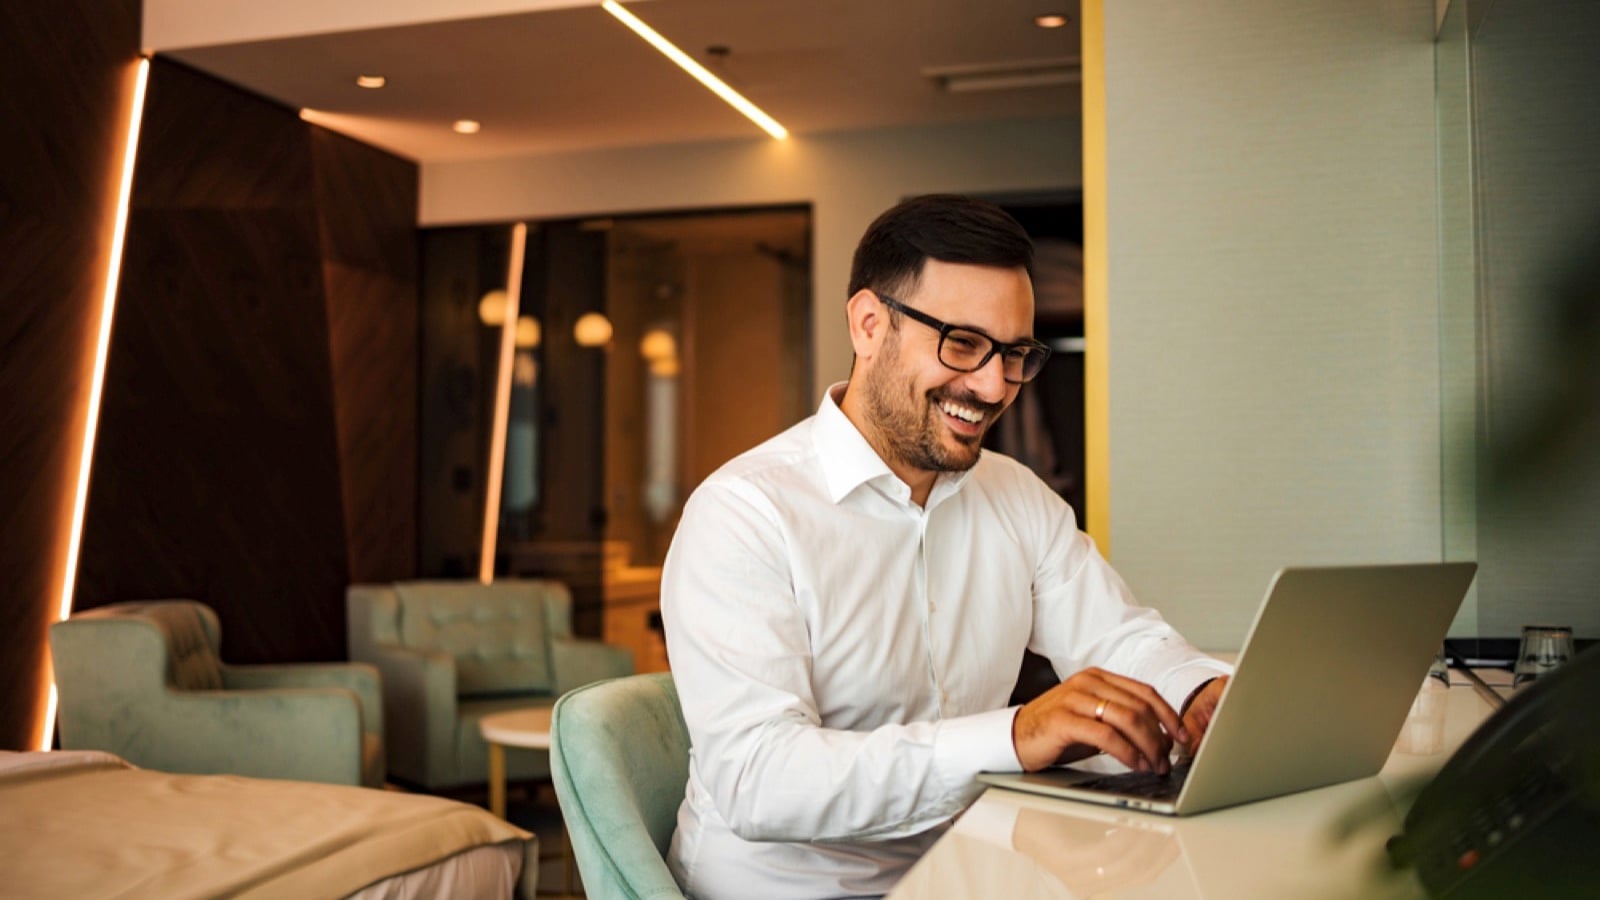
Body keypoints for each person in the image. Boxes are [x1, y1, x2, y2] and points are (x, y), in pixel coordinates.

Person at [660, 194, 1233, 899]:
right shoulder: (745, 513)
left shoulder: (1017, 496)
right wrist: (1016, 736)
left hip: (970, 872)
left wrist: (1201, 689)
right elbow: (760, 781)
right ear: (870, 325)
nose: (994, 386)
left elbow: (1120, 638)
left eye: (1015, 354)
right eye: (963, 344)